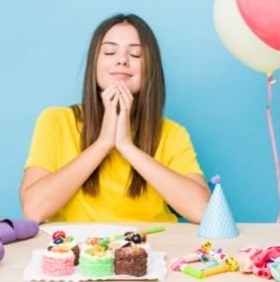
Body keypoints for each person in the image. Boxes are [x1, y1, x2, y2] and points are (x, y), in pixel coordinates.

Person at [20, 13, 210, 224]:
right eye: (110, 51)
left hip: (153, 250)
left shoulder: (172, 133)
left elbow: (203, 212)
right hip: (79, 252)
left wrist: (127, 146)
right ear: (95, 63)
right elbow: (34, 210)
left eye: (136, 54)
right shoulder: (56, 120)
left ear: (150, 69)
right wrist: (103, 143)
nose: (122, 60)